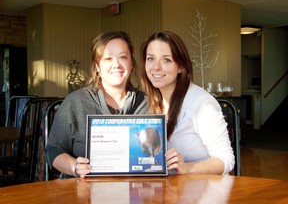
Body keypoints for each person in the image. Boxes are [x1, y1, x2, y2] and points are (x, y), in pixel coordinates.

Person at [46, 31, 148, 178]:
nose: (116, 64)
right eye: (108, 58)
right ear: (97, 67)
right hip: (82, 193)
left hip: (134, 193)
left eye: (123, 57)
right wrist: (74, 167)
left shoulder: (147, 103)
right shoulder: (75, 102)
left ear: (131, 64)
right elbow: (53, 149)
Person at [140, 31, 234, 175]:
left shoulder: (201, 104)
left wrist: (186, 168)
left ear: (181, 67)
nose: (156, 67)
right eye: (150, 58)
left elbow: (225, 160)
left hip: (205, 192)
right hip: (170, 192)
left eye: (166, 60)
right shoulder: (149, 103)